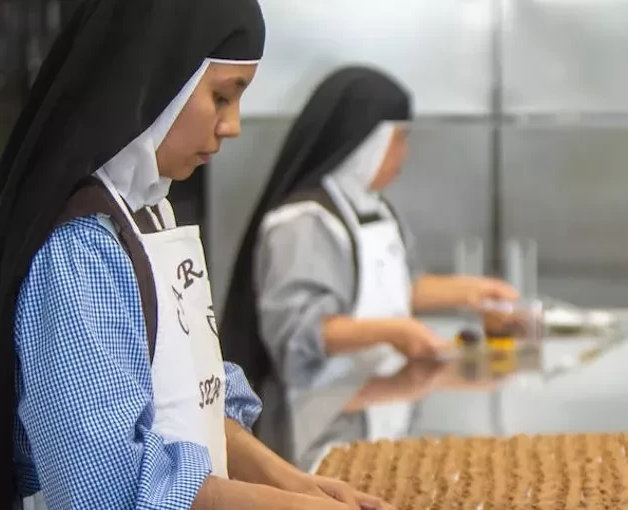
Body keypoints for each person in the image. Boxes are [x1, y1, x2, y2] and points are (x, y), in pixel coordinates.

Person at [0, 1, 405, 510]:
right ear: (158, 82)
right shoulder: (79, 250)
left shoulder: (149, 214)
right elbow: (107, 490)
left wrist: (299, 486)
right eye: (221, 96)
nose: (232, 125)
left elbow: (197, 400)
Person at [220, 66, 518, 463]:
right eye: (399, 139)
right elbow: (297, 334)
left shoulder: (375, 209)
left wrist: (475, 292)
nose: (404, 154)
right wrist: (394, 332)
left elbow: (402, 288)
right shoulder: (303, 224)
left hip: (378, 397)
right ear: (366, 143)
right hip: (315, 425)